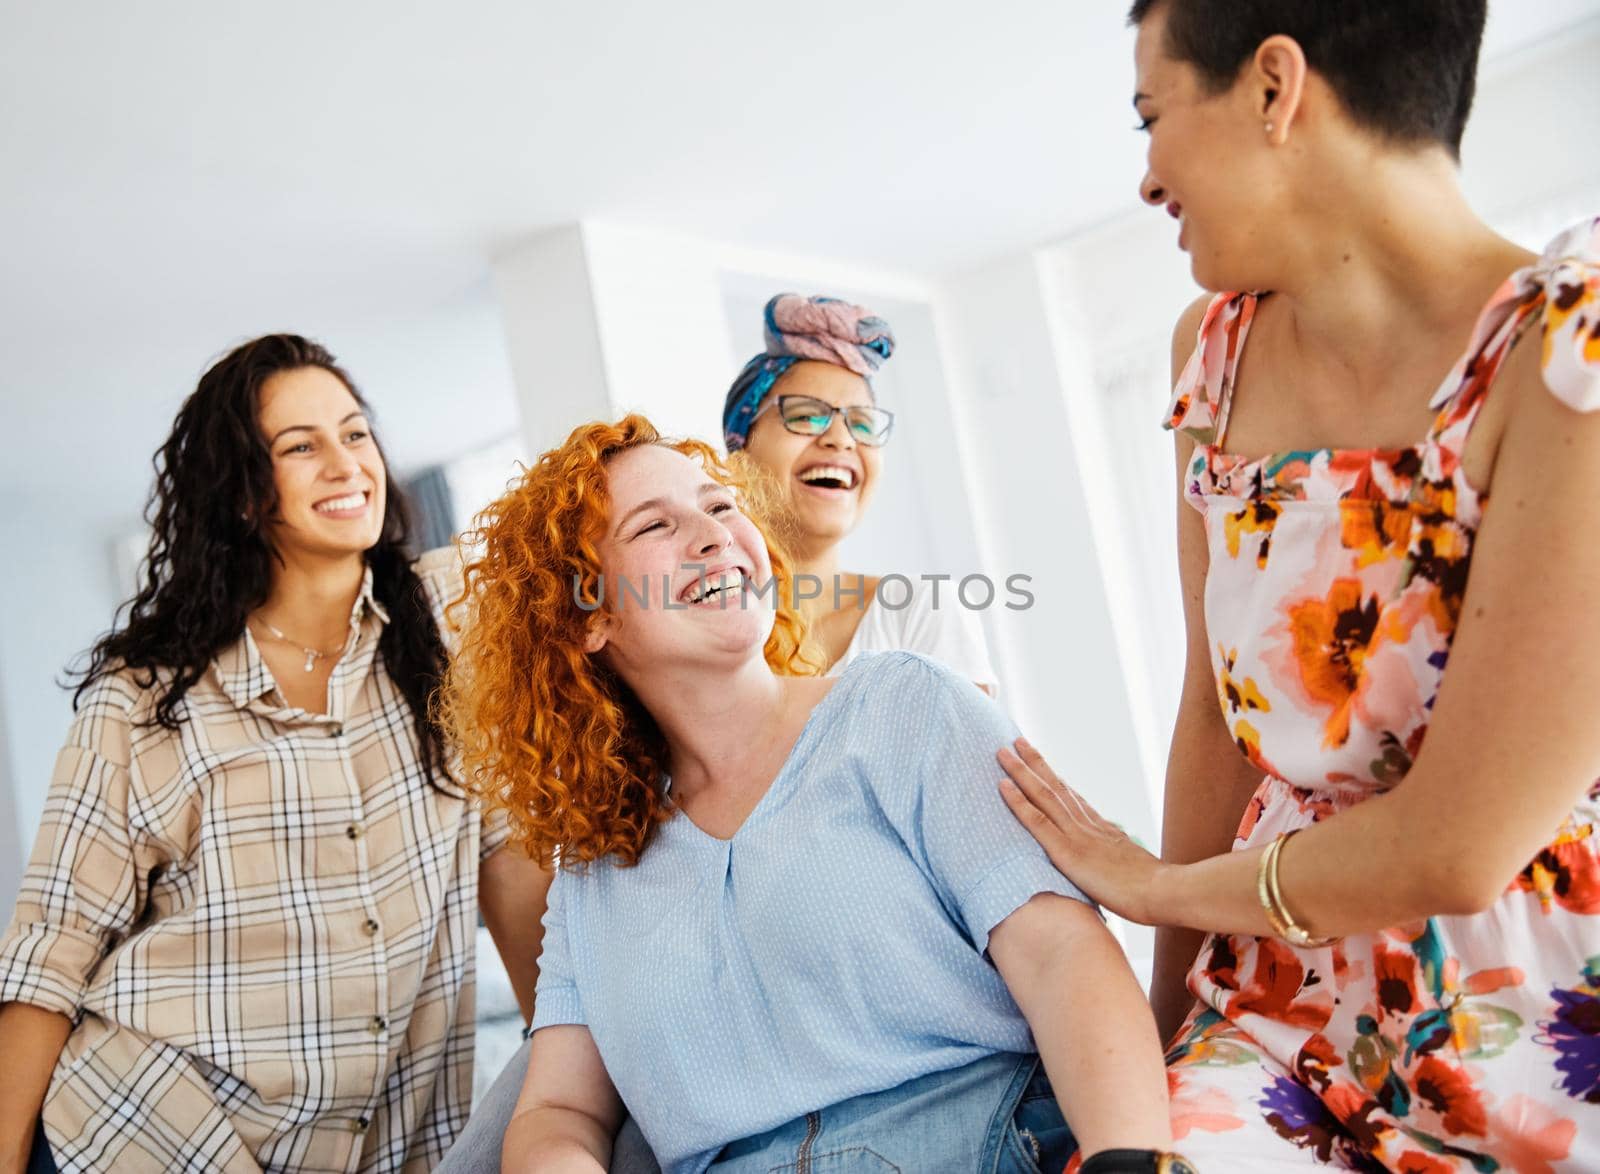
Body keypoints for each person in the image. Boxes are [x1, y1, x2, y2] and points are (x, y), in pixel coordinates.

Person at [996, 1, 1600, 1168]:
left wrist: (1158, 886)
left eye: (1150, 116)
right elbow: (1215, 720)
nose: (1147, 178)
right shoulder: (1208, 356)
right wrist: (1162, 1034)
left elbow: (1458, 844)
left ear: (1275, 87)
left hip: (1533, 1024)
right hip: (1272, 1011)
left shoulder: (1567, 351)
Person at [437, 414, 1188, 1173]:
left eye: (721, 506)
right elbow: (560, 1110)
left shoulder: (907, 708)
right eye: (656, 525)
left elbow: (1063, 955)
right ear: (591, 616)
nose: (714, 535)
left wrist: (1127, 1159)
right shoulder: (593, 864)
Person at [0, 335, 547, 1174]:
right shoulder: (145, 697)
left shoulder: (451, 623)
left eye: (355, 433)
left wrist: (570, 1076)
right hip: (131, 1135)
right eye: (300, 446)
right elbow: (48, 958)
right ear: (245, 493)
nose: (344, 463)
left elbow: (508, 854)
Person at [724, 293, 997, 693]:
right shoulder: (701, 626)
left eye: (863, 423)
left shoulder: (917, 611)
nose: (841, 439)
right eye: (805, 415)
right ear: (739, 456)